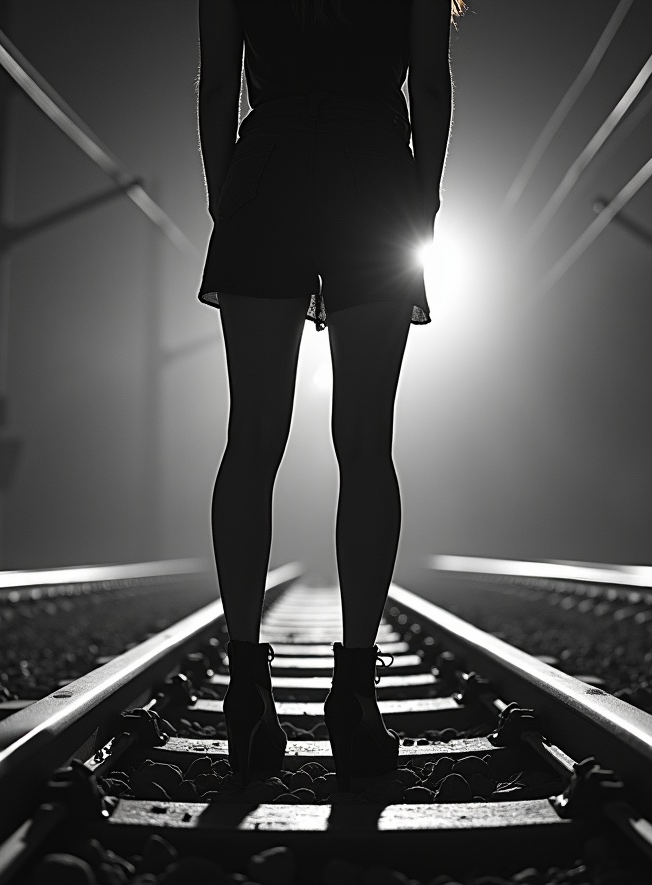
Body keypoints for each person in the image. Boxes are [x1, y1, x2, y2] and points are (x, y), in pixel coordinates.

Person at [196, 0, 460, 788]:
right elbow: (433, 88)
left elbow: (217, 88)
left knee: (251, 440)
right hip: (373, 173)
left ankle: (246, 688)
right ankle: (354, 694)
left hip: (267, 169)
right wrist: (426, 198)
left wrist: (226, 197)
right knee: (367, 446)